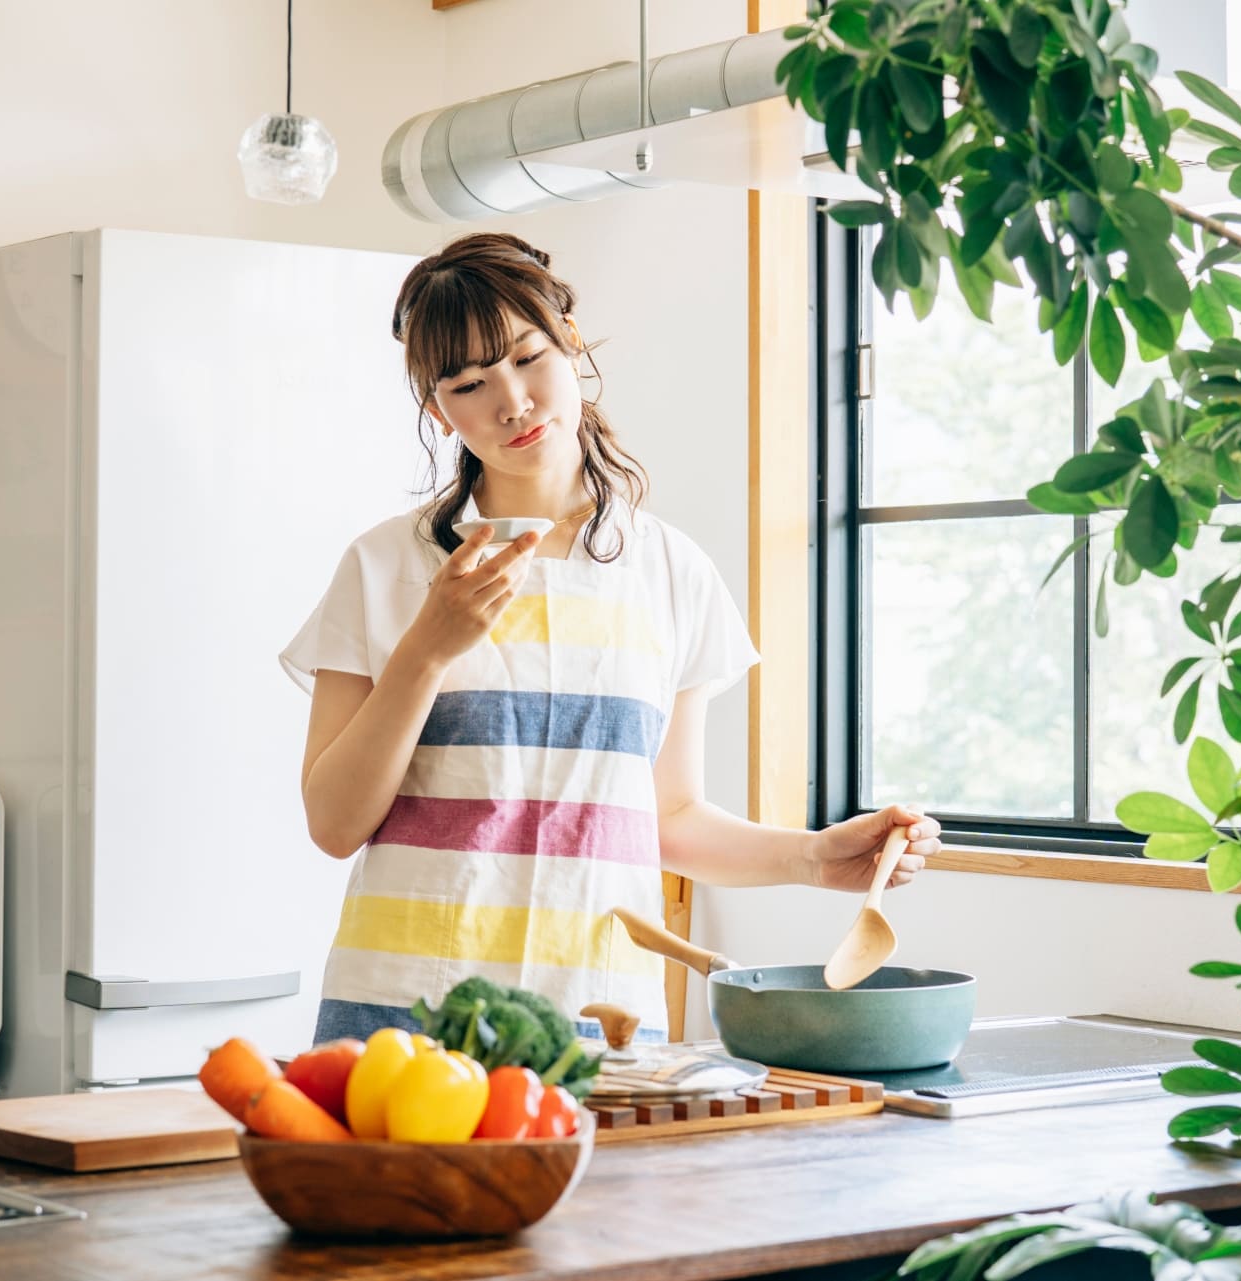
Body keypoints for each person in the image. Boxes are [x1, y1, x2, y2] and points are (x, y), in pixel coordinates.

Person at [280, 232, 940, 1046]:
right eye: (468, 383)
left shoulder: (671, 570)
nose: (512, 402)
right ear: (436, 409)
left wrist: (814, 858)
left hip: (597, 1017)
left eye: (528, 358)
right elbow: (334, 822)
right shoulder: (384, 566)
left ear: (571, 343)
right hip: (407, 1012)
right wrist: (426, 650)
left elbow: (668, 816)